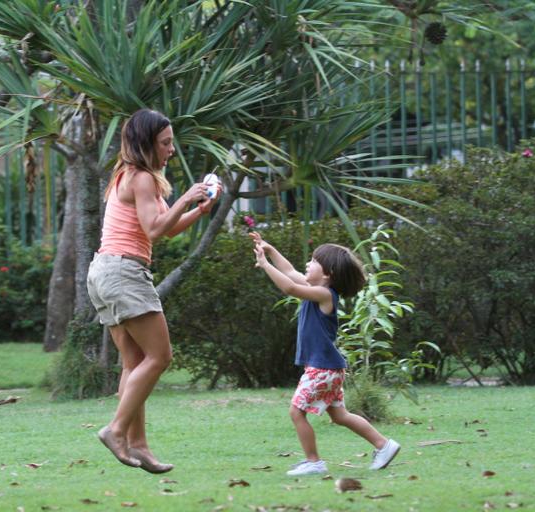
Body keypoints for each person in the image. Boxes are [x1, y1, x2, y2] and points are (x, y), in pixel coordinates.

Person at [87, 109, 221, 473]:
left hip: (104, 270)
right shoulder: (142, 177)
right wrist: (187, 197)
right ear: (146, 144)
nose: (171, 150)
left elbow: (167, 227)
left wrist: (197, 210)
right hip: (124, 272)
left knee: (134, 363)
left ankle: (138, 445)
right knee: (160, 358)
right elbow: (155, 229)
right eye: (165, 143)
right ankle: (116, 430)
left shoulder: (129, 175)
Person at [250, 232, 401, 476]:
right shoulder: (315, 288)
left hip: (322, 369)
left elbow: (289, 287)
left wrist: (265, 264)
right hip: (327, 367)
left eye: (313, 261)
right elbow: (289, 273)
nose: (307, 264)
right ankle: (384, 445)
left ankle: (313, 461)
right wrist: (271, 250)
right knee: (340, 415)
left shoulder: (325, 295)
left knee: (296, 411)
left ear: (327, 273)